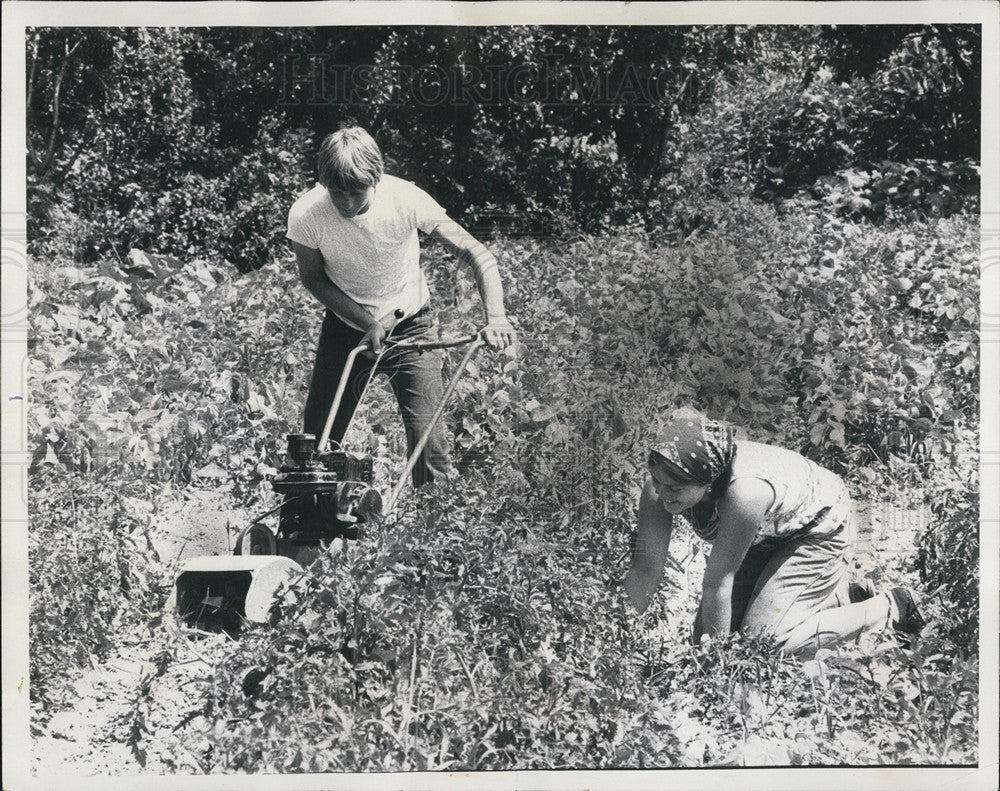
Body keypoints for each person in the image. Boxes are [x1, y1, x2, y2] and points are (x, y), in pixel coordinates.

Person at [287, 126, 516, 487]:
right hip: (346, 328)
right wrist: (365, 322)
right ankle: (305, 530)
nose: (346, 203)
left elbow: (477, 253)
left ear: (375, 180)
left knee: (428, 443)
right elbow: (313, 278)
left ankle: (430, 532)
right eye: (337, 192)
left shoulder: (406, 199)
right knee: (316, 442)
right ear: (323, 183)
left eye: (355, 192)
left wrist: (497, 317)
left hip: (412, 327)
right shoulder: (307, 214)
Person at [623, 408, 925, 654]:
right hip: (766, 534)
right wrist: (620, 633)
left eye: (675, 488)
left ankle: (890, 608)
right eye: (657, 481)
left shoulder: (744, 495)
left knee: (765, 642)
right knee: (704, 635)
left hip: (818, 527)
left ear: (708, 483)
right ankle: (841, 598)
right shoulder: (658, 490)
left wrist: (716, 668)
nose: (663, 493)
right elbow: (645, 569)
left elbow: (718, 582)